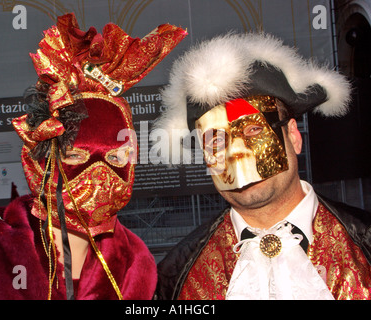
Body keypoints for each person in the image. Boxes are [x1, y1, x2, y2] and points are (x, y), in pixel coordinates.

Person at [0, 13, 186, 300]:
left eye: (116, 159)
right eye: (74, 156)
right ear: (38, 163)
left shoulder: (136, 263)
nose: (99, 178)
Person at [154, 32, 371, 300]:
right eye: (215, 141)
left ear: (293, 136)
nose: (236, 155)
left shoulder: (366, 247)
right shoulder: (174, 277)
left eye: (254, 130)